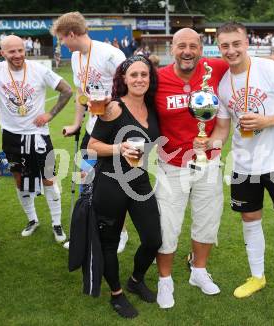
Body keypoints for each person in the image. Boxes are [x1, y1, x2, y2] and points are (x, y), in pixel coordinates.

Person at [154, 27, 274, 309]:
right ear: (172, 48)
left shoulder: (214, 69)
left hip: (208, 162)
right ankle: (164, 280)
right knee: (167, 227)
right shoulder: (158, 79)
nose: (187, 51)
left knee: (207, 223)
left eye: (193, 46)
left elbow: (243, 58)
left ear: (201, 49)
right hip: (172, 164)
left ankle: (199, 272)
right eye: (181, 46)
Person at [196, 22, 274, 314]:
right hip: (243, 165)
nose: (230, 50)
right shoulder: (224, 83)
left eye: (235, 44)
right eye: (225, 45)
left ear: (246, 42)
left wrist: (266, 121)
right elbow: (223, 130)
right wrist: (209, 146)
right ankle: (257, 276)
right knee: (249, 219)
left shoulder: (272, 69)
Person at [87, 55, 162, 318]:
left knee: (154, 239)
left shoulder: (151, 107)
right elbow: (91, 147)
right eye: (134, 75)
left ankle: (135, 279)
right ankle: (116, 294)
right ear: (124, 79)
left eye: (144, 74)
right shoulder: (113, 108)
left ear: (150, 78)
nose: (140, 79)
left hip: (139, 180)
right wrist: (119, 147)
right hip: (110, 182)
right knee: (109, 242)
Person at [51, 11, 129, 252]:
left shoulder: (111, 54)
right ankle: (86, 230)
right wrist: (76, 123)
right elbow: (80, 94)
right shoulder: (76, 57)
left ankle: (121, 233)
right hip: (92, 129)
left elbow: (131, 90)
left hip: (116, 129)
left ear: (72, 34)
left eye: (62, 38)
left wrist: (110, 102)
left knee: (115, 184)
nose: (62, 43)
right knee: (86, 179)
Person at [0, 35, 73, 242]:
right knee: (19, 179)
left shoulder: (39, 69)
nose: (17, 55)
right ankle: (33, 219)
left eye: (20, 50)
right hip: (11, 136)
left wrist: (50, 115)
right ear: (2, 53)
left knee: (48, 179)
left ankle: (56, 223)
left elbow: (67, 90)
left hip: (39, 136)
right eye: (12, 51)